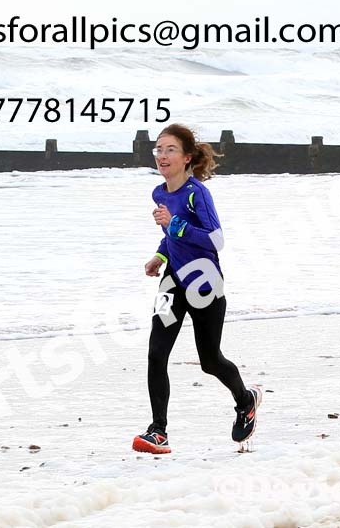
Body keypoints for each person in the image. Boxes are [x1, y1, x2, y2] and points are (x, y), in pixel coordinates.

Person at [133, 123, 262, 455]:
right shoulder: (159, 193)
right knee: (155, 352)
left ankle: (246, 400)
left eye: (170, 149)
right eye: (158, 149)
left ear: (187, 157)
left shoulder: (197, 193)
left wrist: (173, 224)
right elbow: (173, 237)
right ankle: (157, 431)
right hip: (172, 280)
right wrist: (160, 255)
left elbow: (215, 239)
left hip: (205, 282)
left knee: (210, 361)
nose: (162, 155)